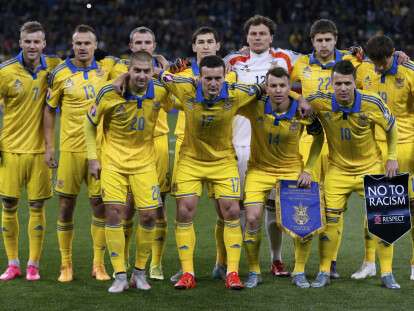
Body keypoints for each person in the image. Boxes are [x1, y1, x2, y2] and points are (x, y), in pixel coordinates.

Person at [159, 55, 263, 290]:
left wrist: (300, 100)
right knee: (184, 212)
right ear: (199, 78)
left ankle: (232, 273)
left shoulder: (236, 93)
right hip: (190, 161)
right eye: (208, 79)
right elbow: (159, 74)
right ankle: (188, 274)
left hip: (223, 162)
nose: (213, 83)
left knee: (232, 212)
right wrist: (124, 76)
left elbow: (263, 88)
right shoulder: (183, 87)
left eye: (218, 78)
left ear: (224, 77)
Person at [307, 60, 400, 289]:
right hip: (337, 170)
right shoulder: (320, 101)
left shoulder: (372, 102)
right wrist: (302, 103)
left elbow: (391, 127)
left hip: (371, 167)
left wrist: (392, 156)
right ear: (332, 83)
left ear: (354, 83)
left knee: (384, 220)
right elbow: (301, 101)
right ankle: (324, 271)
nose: (343, 88)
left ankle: (387, 273)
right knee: (330, 222)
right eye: (338, 83)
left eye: (347, 83)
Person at [85, 51, 170, 293]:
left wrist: (166, 74)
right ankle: (120, 275)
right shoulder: (109, 92)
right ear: (129, 70)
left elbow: (184, 97)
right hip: (113, 162)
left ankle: (139, 274)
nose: (141, 75)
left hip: (144, 162)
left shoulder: (161, 90)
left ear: (151, 71)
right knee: (114, 214)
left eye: (146, 71)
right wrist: (93, 158)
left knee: (149, 216)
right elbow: (89, 124)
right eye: (137, 71)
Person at [225, 15, 300, 276]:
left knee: (273, 208)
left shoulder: (286, 58)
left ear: (271, 37)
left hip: (272, 146)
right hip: (237, 142)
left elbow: (321, 59)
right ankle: (237, 261)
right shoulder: (233, 61)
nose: (257, 37)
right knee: (242, 207)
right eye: (253, 34)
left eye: (262, 33)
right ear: (246, 37)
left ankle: (276, 259)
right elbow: (207, 72)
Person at [44, 24, 117, 282]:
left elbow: (136, 61)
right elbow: (50, 110)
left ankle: (98, 264)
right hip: (71, 150)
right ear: (72, 45)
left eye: (87, 43)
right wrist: (50, 146)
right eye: (78, 43)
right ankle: (66, 265)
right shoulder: (59, 73)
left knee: (100, 206)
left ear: (95, 46)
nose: (83, 47)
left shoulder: (106, 69)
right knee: (65, 207)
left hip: (100, 151)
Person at [239, 67, 324, 288]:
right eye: (273, 86)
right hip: (258, 170)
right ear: (266, 88)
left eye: (282, 86)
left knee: (303, 221)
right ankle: (254, 271)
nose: (278, 90)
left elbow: (318, 138)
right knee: (252, 218)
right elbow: (232, 97)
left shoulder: (302, 111)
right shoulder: (254, 105)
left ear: (289, 87)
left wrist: (309, 169)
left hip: (291, 170)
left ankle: (299, 271)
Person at [290, 19, 360, 278]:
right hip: (310, 138)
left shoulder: (352, 63)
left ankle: (330, 262)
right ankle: (299, 264)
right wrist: (301, 99)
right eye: (319, 40)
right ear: (312, 42)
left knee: (335, 206)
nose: (323, 44)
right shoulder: (301, 64)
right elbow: (280, 85)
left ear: (335, 40)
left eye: (328, 40)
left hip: (341, 141)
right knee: (306, 200)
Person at [0, 21, 60, 281]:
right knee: (9, 204)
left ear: (44, 44)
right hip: (10, 149)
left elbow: (93, 64)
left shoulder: (55, 68)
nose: (32, 46)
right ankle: (13, 263)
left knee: (37, 205)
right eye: (28, 41)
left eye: (37, 41)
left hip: (39, 151)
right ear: (20, 42)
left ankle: (33, 264)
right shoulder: (5, 71)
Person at [169, 26, 230, 282]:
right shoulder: (181, 73)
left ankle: (222, 262)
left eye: (210, 42)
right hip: (188, 147)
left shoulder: (227, 75)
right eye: (200, 42)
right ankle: (185, 268)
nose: (205, 46)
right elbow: (169, 99)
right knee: (184, 209)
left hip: (220, 149)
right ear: (193, 47)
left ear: (218, 46)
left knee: (225, 209)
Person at [352, 35, 414, 281]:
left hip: (407, 146)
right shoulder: (365, 68)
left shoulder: (409, 71)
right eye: (374, 62)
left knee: (410, 207)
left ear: (393, 54)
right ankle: (369, 262)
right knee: (374, 208)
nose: (378, 67)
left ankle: (412, 264)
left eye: (382, 62)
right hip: (375, 148)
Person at [111, 26, 170, 280]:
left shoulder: (166, 73)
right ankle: (122, 263)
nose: (144, 45)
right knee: (126, 207)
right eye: (139, 42)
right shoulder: (119, 71)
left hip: (157, 143)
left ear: (154, 45)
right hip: (128, 146)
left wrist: (166, 74)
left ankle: (155, 263)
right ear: (130, 45)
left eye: (148, 41)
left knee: (158, 207)